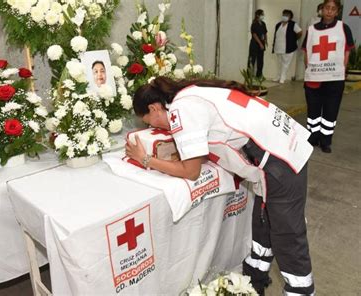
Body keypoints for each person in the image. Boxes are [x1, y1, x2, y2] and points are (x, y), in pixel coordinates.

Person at [126, 76, 315, 295]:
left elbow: (191, 171)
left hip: (280, 162)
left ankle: (300, 290)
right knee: (263, 225)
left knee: (287, 237)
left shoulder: (181, 108)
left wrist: (146, 160)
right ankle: (255, 282)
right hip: (281, 150)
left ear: (154, 107)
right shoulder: (191, 92)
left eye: (149, 121)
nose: (152, 126)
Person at [302, 0, 355, 153]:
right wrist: (310, 70)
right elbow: (307, 52)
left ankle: (325, 141)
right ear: (322, 9)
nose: (329, 11)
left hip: (334, 79)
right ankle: (312, 137)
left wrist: (341, 71)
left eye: (333, 9)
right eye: (327, 8)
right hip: (314, 79)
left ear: (337, 11)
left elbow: (347, 51)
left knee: (330, 112)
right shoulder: (311, 29)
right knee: (313, 112)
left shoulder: (343, 28)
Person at [272, 9, 302, 83]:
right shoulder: (278, 24)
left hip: (288, 47)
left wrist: (294, 39)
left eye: (287, 15)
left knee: (285, 64)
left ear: (290, 17)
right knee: (279, 63)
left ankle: (283, 77)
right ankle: (278, 76)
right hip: (278, 47)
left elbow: (300, 32)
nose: (285, 16)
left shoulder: (293, 24)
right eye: (284, 14)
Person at [248, 9, 267, 78]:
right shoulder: (254, 24)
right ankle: (249, 76)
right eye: (262, 14)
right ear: (257, 15)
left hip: (262, 43)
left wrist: (265, 41)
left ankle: (259, 75)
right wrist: (260, 44)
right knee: (252, 60)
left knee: (260, 60)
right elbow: (254, 35)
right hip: (255, 44)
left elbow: (265, 33)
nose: (263, 16)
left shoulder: (263, 23)